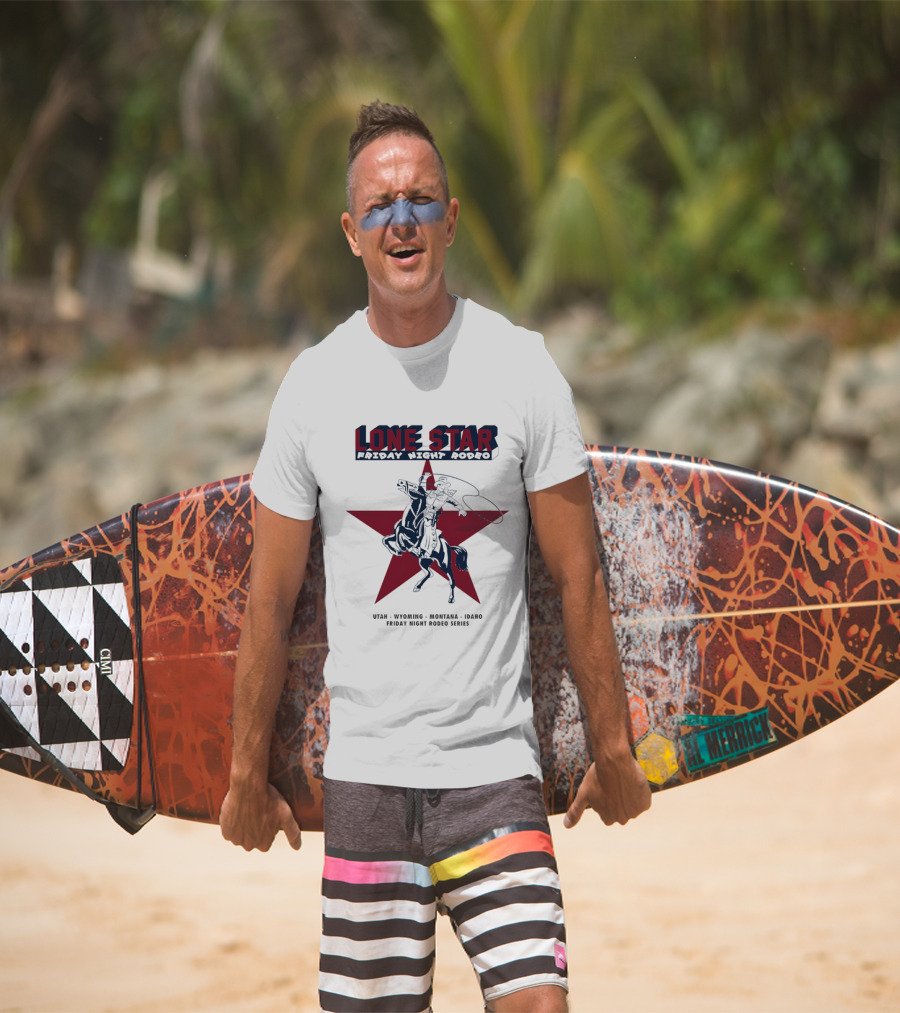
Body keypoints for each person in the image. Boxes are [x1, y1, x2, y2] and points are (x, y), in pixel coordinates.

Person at [220, 100, 651, 1013]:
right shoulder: (314, 386)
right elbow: (269, 599)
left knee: (540, 1003)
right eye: (380, 206)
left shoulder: (522, 368)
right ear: (351, 232)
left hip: (495, 772)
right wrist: (242, 772)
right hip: (368, 779)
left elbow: (580, 574)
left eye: (421, 200)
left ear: (451, 219)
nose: (402, 220)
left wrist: (612, 746)